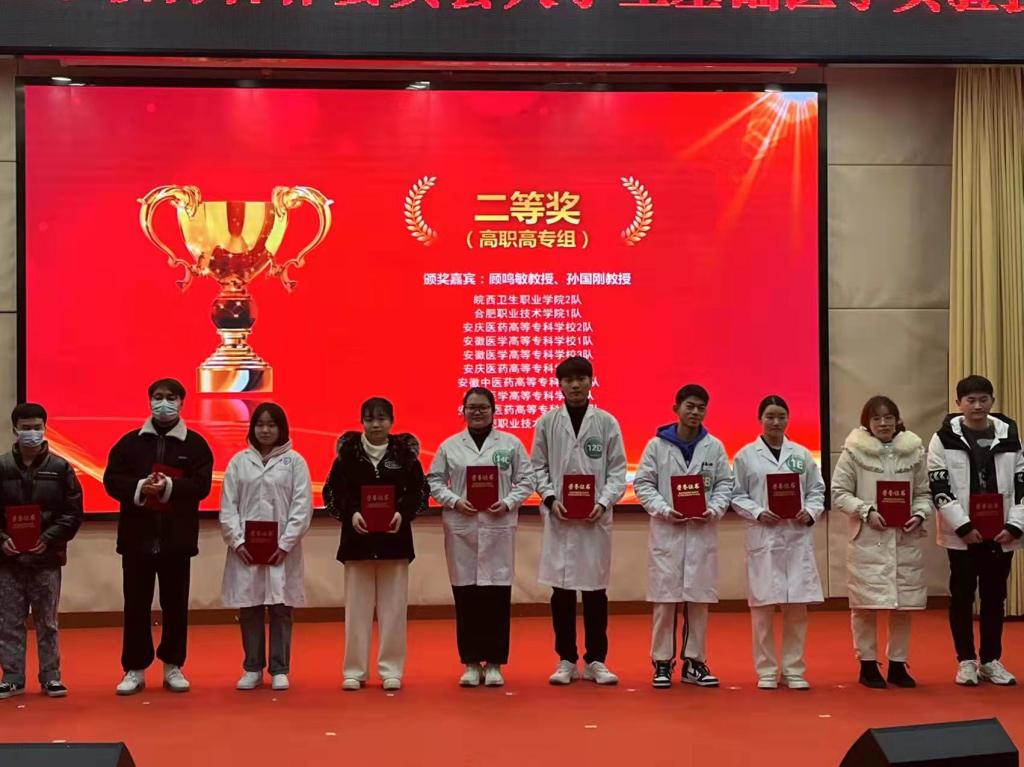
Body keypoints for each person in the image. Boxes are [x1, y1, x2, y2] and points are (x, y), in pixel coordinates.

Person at [103, 378, 213, 696]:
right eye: (158, 397)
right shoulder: (130, 443)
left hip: (177, 541)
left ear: (182, 402)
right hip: (136, 539)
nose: (163, 403)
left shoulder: (195, 445)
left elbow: (202, 486)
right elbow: (112, 480)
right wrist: (141, 487)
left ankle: (173, 666)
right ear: (149, 400)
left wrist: (169, 487)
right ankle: (134, 668)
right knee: (136, 605)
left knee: (175, 605)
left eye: (171, 397)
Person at [427, 387, 535, 688]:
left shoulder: (511, 444)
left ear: (493, 410)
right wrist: (454, 501)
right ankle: (471, 663)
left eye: (483, 407)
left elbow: (527, 479)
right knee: (467, 599)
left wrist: (509, 502)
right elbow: (434, 480)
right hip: (462, 527)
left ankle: (496, 662)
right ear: (463, 411)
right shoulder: (450, 446)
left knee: (496, 599)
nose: (477, 412)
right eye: (471, 407)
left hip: (498, 526)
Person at [530, 356, 627, 686]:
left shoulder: (607, 423)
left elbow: (617, 470)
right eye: (568, 380)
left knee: (596, 592)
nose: (575, 385)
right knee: (562, 593)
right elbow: (537, 467)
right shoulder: (547, 423)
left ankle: (597, 659)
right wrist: (549, 498)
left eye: (581, 379)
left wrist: (602, 502)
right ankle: (566, 659)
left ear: (590, 382)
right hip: (560, 517)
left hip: (594, 519)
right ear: (559, 384)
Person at [634, 384, 733, 689]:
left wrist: (713, 509)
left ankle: (694, 663)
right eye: (690, 406)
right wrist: (664, 509)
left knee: (698, 602)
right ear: (676, 408)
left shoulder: (714, 447)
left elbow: (725, 484)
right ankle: (662, 663)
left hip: (701, 532)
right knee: (665, 603)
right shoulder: (657, 446)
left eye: (701, 408)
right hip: (669, 532)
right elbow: (643, 484)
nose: (695, 412)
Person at [928, 375, 1024, 686]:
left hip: (1001, 533)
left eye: (984, 399)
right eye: (971, 400)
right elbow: (939, 487)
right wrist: (964, 526)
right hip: (962, 535)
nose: (978, 406)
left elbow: (1022, 485)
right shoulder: (942, 438)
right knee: (962, 597)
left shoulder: (1010, 435)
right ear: (959, 403)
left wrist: (1015, 525)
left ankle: (991, 660)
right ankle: (966, 660)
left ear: (992, 401)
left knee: (995, 598)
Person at [324, 397, 425, 692]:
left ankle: (391, 670)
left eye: (381, 418)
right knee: (357, 612)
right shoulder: (347, 455)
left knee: (394, 611)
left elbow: (419, 492)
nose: (375, 425)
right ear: (362, 422)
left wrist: (402, 514)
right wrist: (351, 514)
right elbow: (334, 492)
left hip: (395, 543)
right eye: (369, 419)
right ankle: (354, 671)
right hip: (358, 544)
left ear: (391, 421)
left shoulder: (405, 455)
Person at [831, 396, 931, 689]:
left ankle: (898, 664)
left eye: (889, 417)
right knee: (864, 606)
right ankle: (867, 664)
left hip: (904, 538)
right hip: (868, 539)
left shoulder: (914, 451)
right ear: (867, 422)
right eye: (877, 418)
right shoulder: (853, 451)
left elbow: (923, 493)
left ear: (898, 420)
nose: (883, 423)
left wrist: (919, 514)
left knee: (903, 606)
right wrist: (866, 511)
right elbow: (839, 492)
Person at [732, 395, 825, 690]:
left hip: (796, 536)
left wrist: (810, 511)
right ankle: (767, 671)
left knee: (796, 609)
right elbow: (736, 494)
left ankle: (794, 670)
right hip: (764, 537)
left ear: (788, 419)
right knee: (762, 611)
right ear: (760, 419)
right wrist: (758, 512)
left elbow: (817, 490)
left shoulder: (802, 454)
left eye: (781, 416)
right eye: (770, 416)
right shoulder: (746, 456)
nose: (775, 422)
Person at [219, 403, 313, 692]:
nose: (265, 430)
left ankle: (280, 668)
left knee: (281, 608)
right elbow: (228, 506)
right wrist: (237, 541)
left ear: (281, 428)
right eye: (260, 424)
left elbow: (302, 506)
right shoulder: (239, 462)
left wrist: (285, 544)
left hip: (282, 550)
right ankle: (252, 668)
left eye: (272, 425)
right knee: (250, 608)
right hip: (246, 550)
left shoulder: (295, 462)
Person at [0, 403, 83, 699]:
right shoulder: (2, 467)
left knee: (47, 622)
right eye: (26, 428)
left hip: (46, 558)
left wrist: (47, 538)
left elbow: (72, 513)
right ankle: (12, 677)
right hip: (8, 560)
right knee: (9, 621)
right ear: (15, 429)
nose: (31, 433)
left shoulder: (60, 468)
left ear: (45, 429)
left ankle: (51, 676)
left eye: (36, 427)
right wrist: (2, 540)